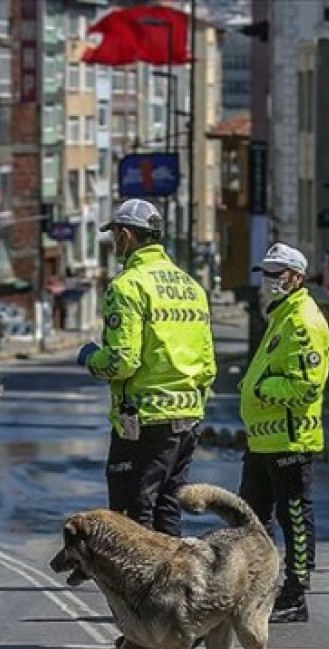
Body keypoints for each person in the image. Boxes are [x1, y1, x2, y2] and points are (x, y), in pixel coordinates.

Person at [77, 198, 216, 537]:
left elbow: (121, 362)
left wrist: (90, 358)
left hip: (142, 421)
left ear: (125, 235)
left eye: (115, 237)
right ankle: (175, 585)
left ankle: (141, 587)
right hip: (187, 419)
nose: (114, 244)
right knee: (168, 507)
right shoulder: (191, 286)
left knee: (132, 515)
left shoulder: (128, 286)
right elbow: (208, 365)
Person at [238, 242, 329, 624]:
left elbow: (307, 386)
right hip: (263, 439)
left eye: (278, 273)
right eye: (266, 273)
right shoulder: (281, 316)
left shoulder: (303, 321)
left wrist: (261, 390)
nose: (270, 280)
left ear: (297, 276)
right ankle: (256, 588)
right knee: (251, 517)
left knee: (293, 516)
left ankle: (295, 595)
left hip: (289, 438)